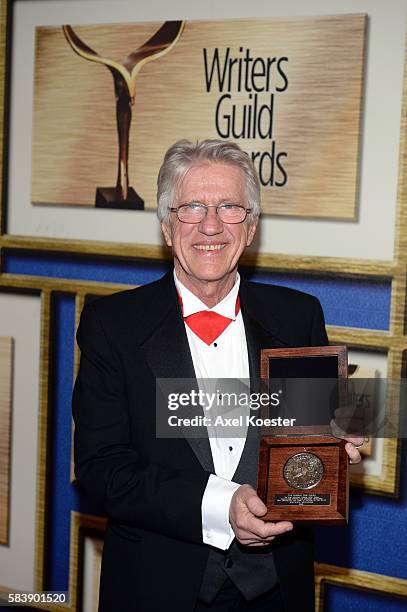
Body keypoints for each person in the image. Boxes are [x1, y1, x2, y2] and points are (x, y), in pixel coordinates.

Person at [73, 139, 363, 611]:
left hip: (275, 590)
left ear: (250, 228)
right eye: (192, 207)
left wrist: (333, 446)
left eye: (229, 207)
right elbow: (103, 469)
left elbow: (310, 440)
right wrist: (219, 507)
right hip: (157, 589)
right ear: (168, 226)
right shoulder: (112, 325)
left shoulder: (297, 317)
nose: (211, 225)